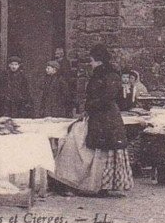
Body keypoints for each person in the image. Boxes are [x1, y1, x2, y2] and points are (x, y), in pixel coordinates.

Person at [52, 44, 132, 196]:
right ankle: (88, 183)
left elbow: (109, 97)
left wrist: (91, 106)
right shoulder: (101, 74)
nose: (90, 63)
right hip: (99, 115)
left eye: (92, 60)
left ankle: (98, 184)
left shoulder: (109, 75)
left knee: (95, 147)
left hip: (106, 117)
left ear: (99, 61)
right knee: (85, 144)